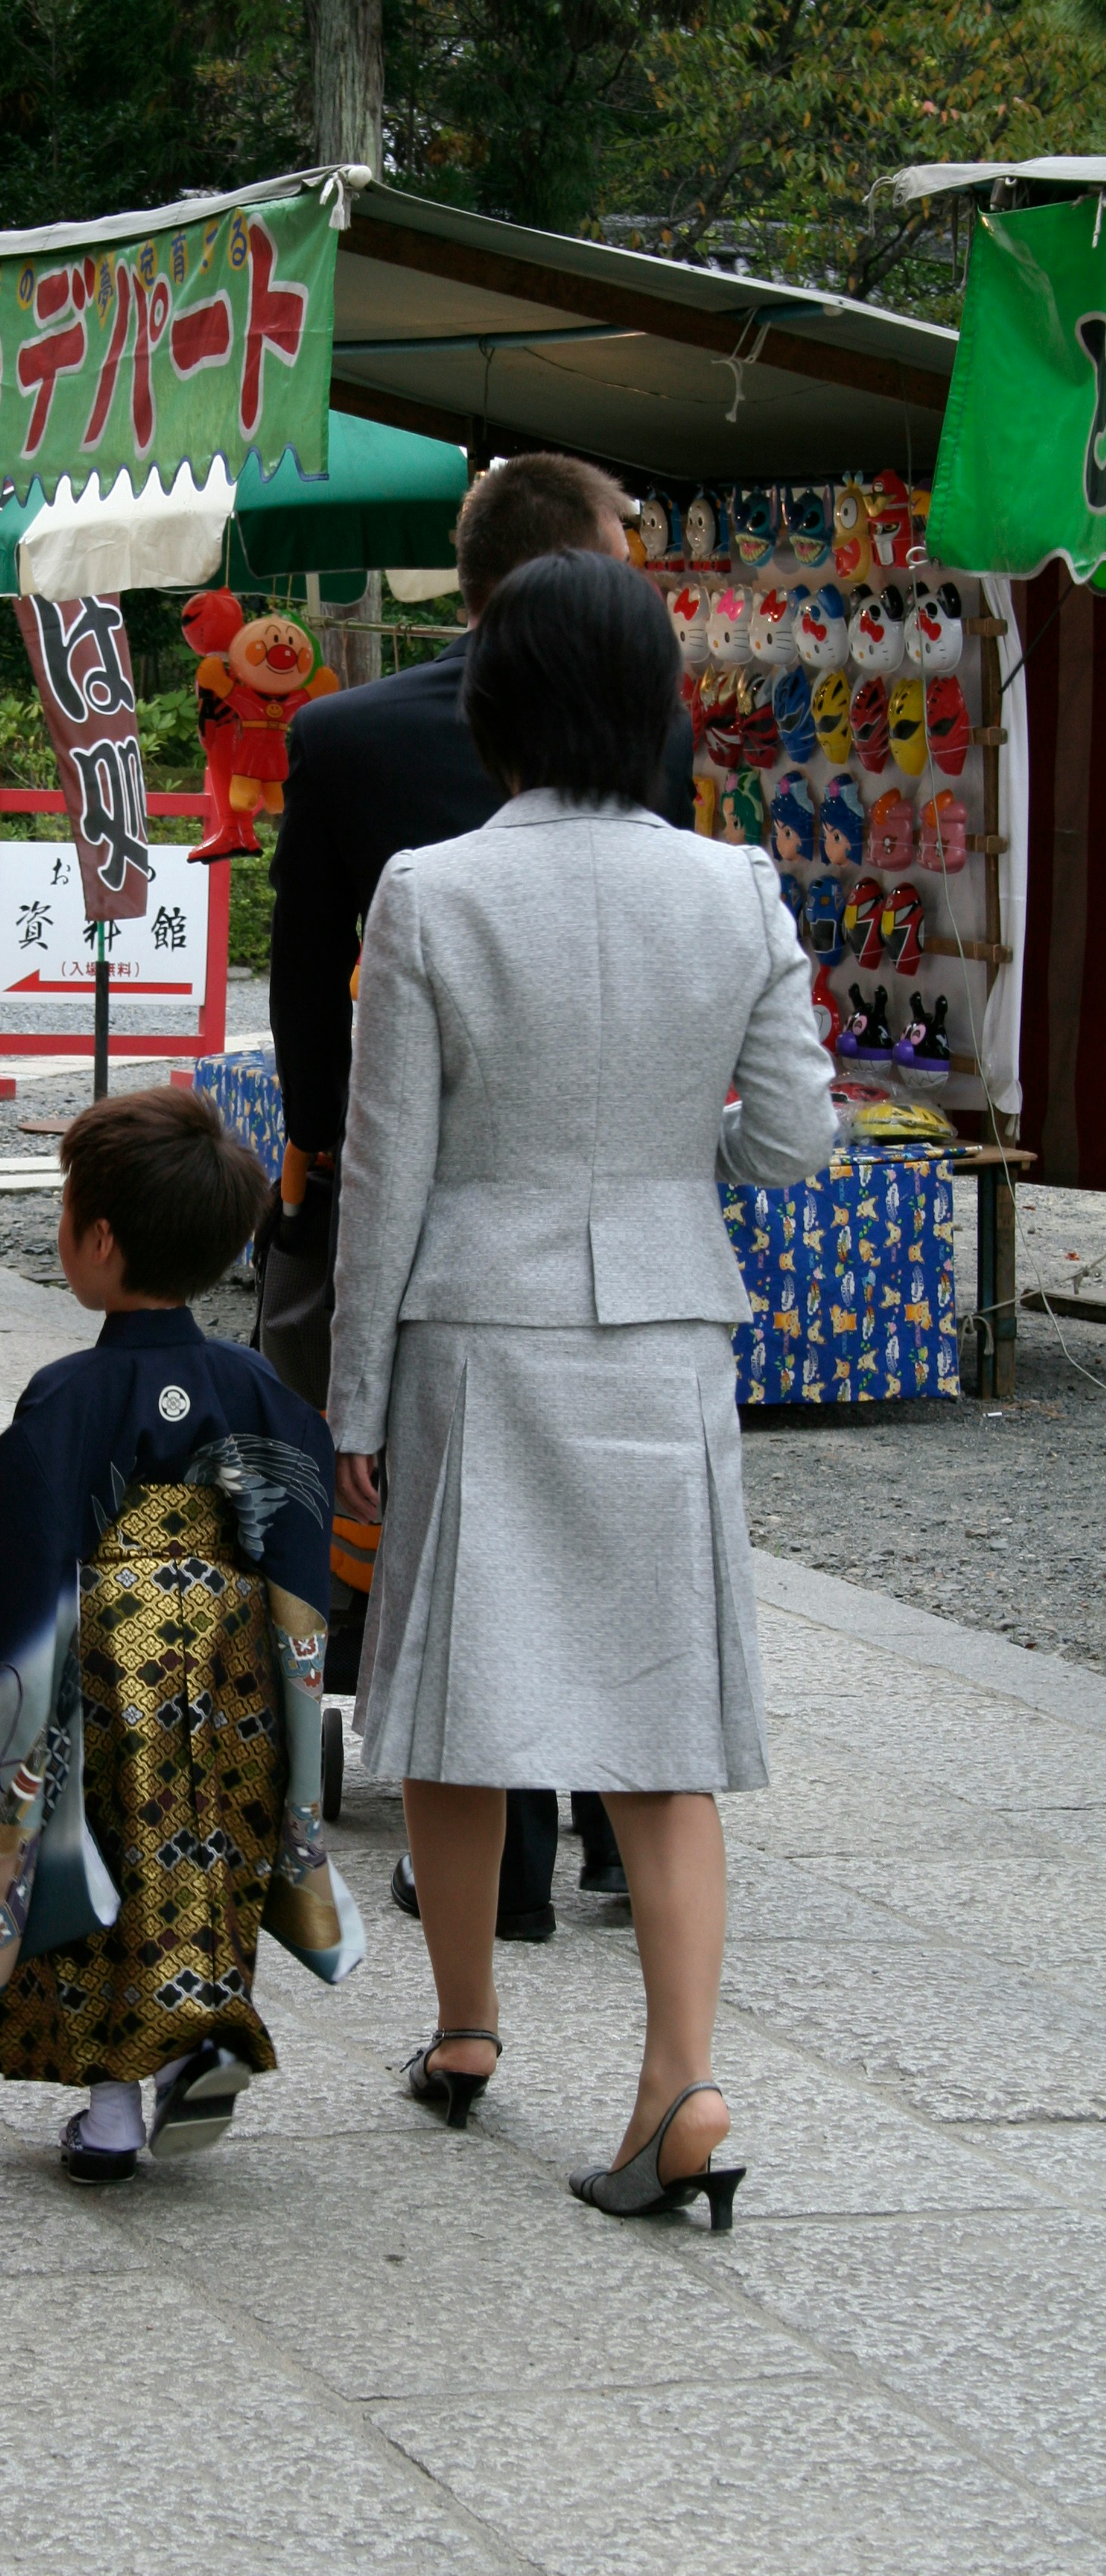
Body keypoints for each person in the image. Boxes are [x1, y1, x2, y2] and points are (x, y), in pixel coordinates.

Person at [327, 552, 833, 2229]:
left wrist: (351, 1400)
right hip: (667, 1333)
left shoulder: (431, 893)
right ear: (651, 701)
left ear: (499, 699)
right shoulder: (738, 886)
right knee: (663, 1721)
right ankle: (683, 2084)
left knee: (455, 1692)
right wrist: (665, 1172)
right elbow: (796, 1139)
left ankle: (467, 2028)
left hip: (478, 1329)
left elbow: (387, 1175)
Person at [267, 449, 680, 1926]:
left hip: (413, 1183)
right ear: (574, 562)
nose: (636, 563)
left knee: (436, 1515)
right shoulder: (656, 740)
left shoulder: (345, 735)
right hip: (604, 1213)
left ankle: (487, 1859)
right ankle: (616, 1823)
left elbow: (304, 977)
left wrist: (322, 1153)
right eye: (624, 542)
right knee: (595, 1526)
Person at [0, 1087, 364, 2185]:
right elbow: (300, 1525)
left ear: (101, 1241)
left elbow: (14, 1559)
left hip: (98, 1669)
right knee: (205, 1852)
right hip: (232, 1661)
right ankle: (197, 2036)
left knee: (91, 1862)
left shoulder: (67, 1394)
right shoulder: (252, 1382)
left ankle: (113, 2115)